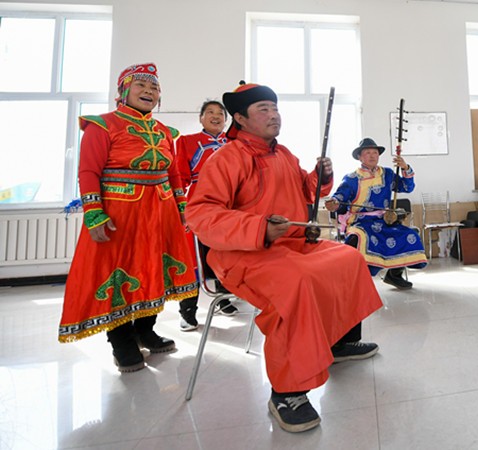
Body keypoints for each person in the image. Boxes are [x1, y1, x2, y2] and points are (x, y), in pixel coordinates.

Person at [185, 82, 383, 433]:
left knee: (348, 259)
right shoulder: (226, 158)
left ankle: (339, 342)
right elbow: (201, 216)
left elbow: (306, 191)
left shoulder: (285, 154)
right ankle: (287, 392)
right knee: (296, 282)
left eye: (275, 108)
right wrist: (259, 228)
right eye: (263, 109)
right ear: (240, 118)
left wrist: (320, 177)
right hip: (242, 253)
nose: (274, 114)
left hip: (292, 244)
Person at [58, 63, 198, 373]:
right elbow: (89, 171)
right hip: (119, 214)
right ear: (123, 91)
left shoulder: (165, 132)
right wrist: (94, 214)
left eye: (154, 87)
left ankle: (146, 330)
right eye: (141, 86)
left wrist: (182, 208)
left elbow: (173, 174)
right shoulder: (102, 125)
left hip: (160, 212)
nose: (149, 91)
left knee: (154, 270)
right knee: (118, 274)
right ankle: (120, 340)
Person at [325, 137, 427, 289]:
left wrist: (405, 168)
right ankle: (353, 280)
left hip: (384, 221)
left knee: (409, 234)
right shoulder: (352, 178)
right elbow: (340, 197)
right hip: (360, 222)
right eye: (367, 153)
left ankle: (394, 275)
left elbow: (407, 187)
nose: (372, 156)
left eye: (375, 152)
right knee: (360, 237)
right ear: (360, 157)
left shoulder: (387, 174)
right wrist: (334, 203)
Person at [174, 100, 238, 331]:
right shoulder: (187, 141)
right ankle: (187, 311)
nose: (216, 116)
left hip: (231, 204)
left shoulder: (235, 143)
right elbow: (179, 177)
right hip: (199, 203)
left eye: (220, 113)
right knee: (193, 257)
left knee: (226, 253)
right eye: (209, 112)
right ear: (201, 118)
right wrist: (179, 206)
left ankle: (223, 298)